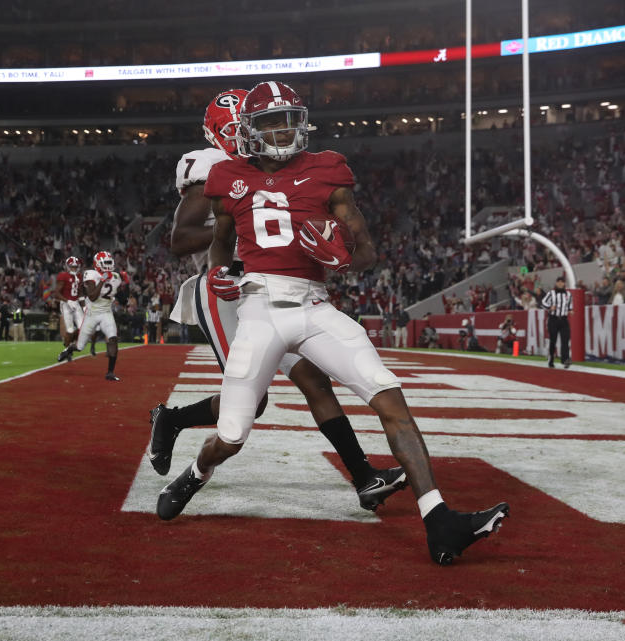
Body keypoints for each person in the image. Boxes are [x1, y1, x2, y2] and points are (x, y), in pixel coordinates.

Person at [156, 81, 508, 565]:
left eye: (289, 120)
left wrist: (341, 256)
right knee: (234, 433)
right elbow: (218, 238)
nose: (282, 131)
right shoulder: (227, 177)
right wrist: (218, 271)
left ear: (303, 123)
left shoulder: (328, 169)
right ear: (249, 131)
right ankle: (195, 472)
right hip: (258, 311)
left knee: (389, 395)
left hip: (315, 306)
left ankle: (439, 520)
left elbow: (365, 252)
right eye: (269, 123)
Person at [148, 88, 406, 513]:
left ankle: (363, 477)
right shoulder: (214, 166)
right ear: (216, 133)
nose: (239, 137)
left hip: (275, 291)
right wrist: (250, 238)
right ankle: (172, 421)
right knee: (255, 402)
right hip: (227, 288)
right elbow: (179, 240)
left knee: (315, 381)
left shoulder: (272, 166)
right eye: (231, 129)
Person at [62, 251, 126, 379]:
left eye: (109, 263)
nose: (108, 266)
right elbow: (92, 297)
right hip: (92, 313)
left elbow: (122, 298)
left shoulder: (116, 276)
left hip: (106, 312)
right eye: (105, 263)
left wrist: (125, 286)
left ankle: (110, 372)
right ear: (97, 264)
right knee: (80, 347)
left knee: (113, 339)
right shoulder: (91, 274)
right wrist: (102, 280)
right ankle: (69, 349)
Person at [55, 256, 85, 362]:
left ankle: (69, 346)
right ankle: (67, 350)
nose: (74, 269)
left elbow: (80, 292)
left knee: (83, 328)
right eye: (72, 267)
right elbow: (56, 293)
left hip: (76, 303)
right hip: (66, 304)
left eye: (76, 267)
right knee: (70, 330)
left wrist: (84, 305)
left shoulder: (80, 276)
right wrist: (68, 301)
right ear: (67, 267)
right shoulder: (63, 276)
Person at [541, 275, 572, 368]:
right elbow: (543, 302)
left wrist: (570, 310)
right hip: (553, 319)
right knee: (553, 340)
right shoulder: (551, 293)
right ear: (556, 283)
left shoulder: (568, 294)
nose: (560, 283)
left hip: (564, 319)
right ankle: (551, 359)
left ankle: (565, 360)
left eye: (562, 281)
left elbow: (570, 305)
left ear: (564, 283)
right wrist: (550, 307)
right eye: (558, 281)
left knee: (565, 340)